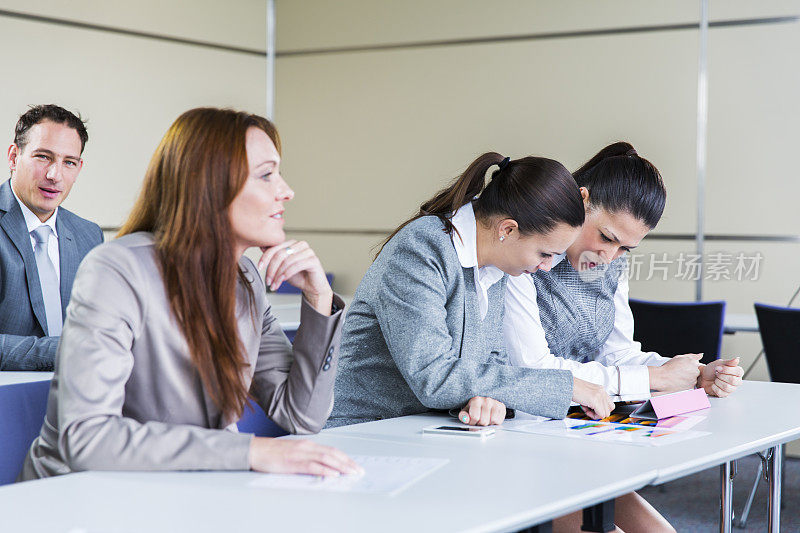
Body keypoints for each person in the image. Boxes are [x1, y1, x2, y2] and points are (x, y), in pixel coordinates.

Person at [20, 107, 360, 480]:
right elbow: (87, 438)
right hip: (79, 501)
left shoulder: (244, 279)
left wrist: (318, 297)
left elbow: (301, 415)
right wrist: (250, 451)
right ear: (211, 187)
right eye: (266, 175)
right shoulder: (117, 270)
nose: (287, 191)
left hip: (186, 492)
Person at [503, 142, 743, 533]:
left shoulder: (610, 265)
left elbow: (617, 352)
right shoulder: (527, 254)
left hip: (573, 429)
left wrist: (688, 372)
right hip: (520, 431)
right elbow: (534, 369)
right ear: (582, 201)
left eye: (625, 247)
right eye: (606, 236)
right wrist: (654, 380)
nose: (609, 255)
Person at [328, 152, 615, 429]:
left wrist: (492, 401)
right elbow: (433, 376)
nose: (547, 267)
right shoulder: (421, 249)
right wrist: (566, 386)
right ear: (508, 230)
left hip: (426, 430)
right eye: (544, 253)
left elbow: (494, 364)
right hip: (362, 430)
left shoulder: (497, 266)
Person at [0, 104, 103, 370]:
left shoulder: (89, 236)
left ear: (79, 168)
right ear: (13, 157)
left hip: (78, 400)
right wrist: (64, 351)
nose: (54, 175)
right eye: (43, 157)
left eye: (68, 162)